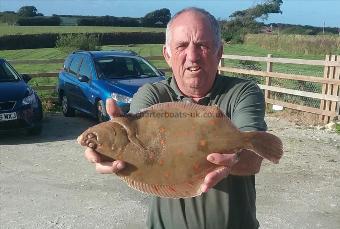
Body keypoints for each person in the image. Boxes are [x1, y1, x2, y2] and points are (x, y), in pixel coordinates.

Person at [85, 7, 267, 229]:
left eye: (203, 45)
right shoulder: (151, 96)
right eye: (181, 46)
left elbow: (255, 155)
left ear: (219, 52)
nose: (192, 56)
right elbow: (136, 147)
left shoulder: (242, 91)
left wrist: (236, 160)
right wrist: (106, 153)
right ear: (167, 55)